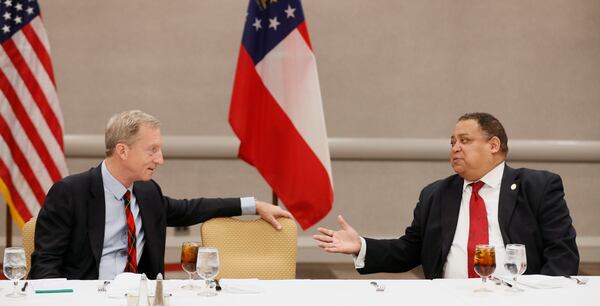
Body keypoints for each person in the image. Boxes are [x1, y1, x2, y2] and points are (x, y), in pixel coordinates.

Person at [30, 110, 292, 280]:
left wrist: (252, 205)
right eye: (152, 150)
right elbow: (45, 266)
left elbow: (190, 209)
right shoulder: (70, 193)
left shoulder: (146, 192)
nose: (161, 159)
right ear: (122, 151)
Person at [314, 112, 579, 279]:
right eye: (452, 142)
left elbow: (562, 255)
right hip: (449, 297)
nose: (455, 148)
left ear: (494, 145)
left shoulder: (538, 187)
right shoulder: (436, 194)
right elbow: (410, 250)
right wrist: (362, 246)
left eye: (465, 140)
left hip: (517, 298)